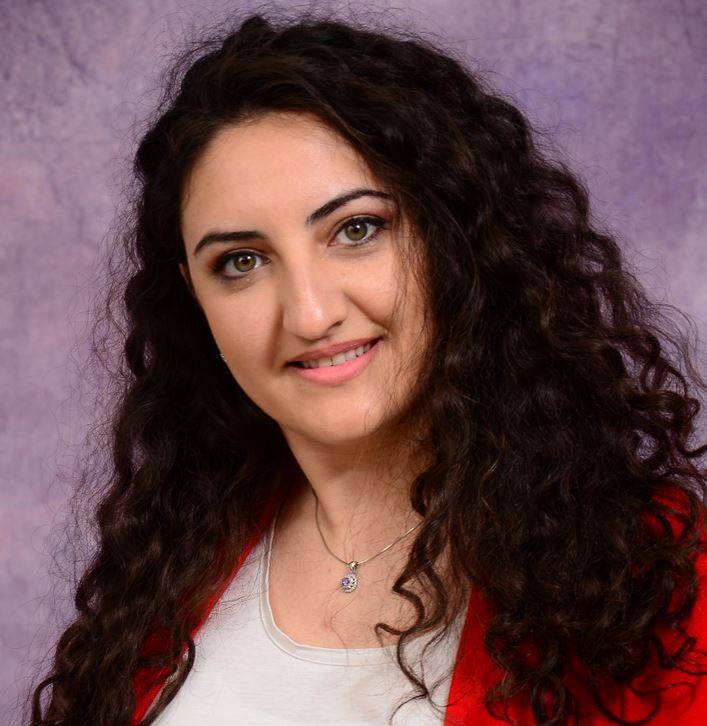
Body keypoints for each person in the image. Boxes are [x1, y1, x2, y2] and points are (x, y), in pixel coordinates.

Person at [30, 11, 707, 726]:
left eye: (356, 230)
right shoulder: (166, 567)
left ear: (452, 239)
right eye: (242, 261)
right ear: (194, 297)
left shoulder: (656, 579)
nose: (310, 313)